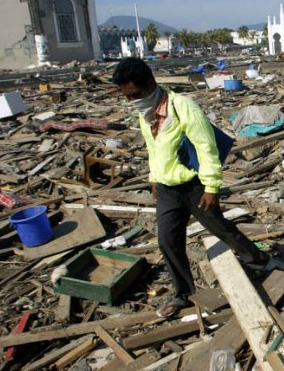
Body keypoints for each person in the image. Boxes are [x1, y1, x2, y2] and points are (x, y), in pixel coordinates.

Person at [112, 58, 275, 318]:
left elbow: (206, 147)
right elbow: (153, 150)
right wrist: (154, 178)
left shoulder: (183, 107)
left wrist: (211, 186)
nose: (134, 101)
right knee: (168, 241)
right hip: (167, 189)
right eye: (128, 97)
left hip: (195, 185)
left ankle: (259, 260)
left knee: (218, 227)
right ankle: (183, 294)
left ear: (151, 84)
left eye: (137, 94)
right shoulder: (145, 113)